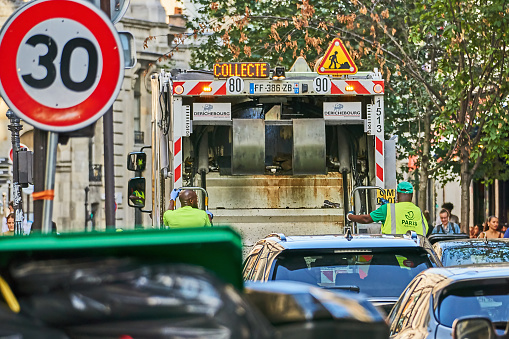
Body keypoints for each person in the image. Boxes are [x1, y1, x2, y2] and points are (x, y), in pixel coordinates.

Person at [347, 181, 428, 236]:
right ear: (411, 195)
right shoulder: (418, 211)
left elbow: (366, 219)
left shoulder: (388, 208)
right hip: (414, 253)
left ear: (397, 194)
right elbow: (425, 229)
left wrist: (350, 216)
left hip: (393, 250)